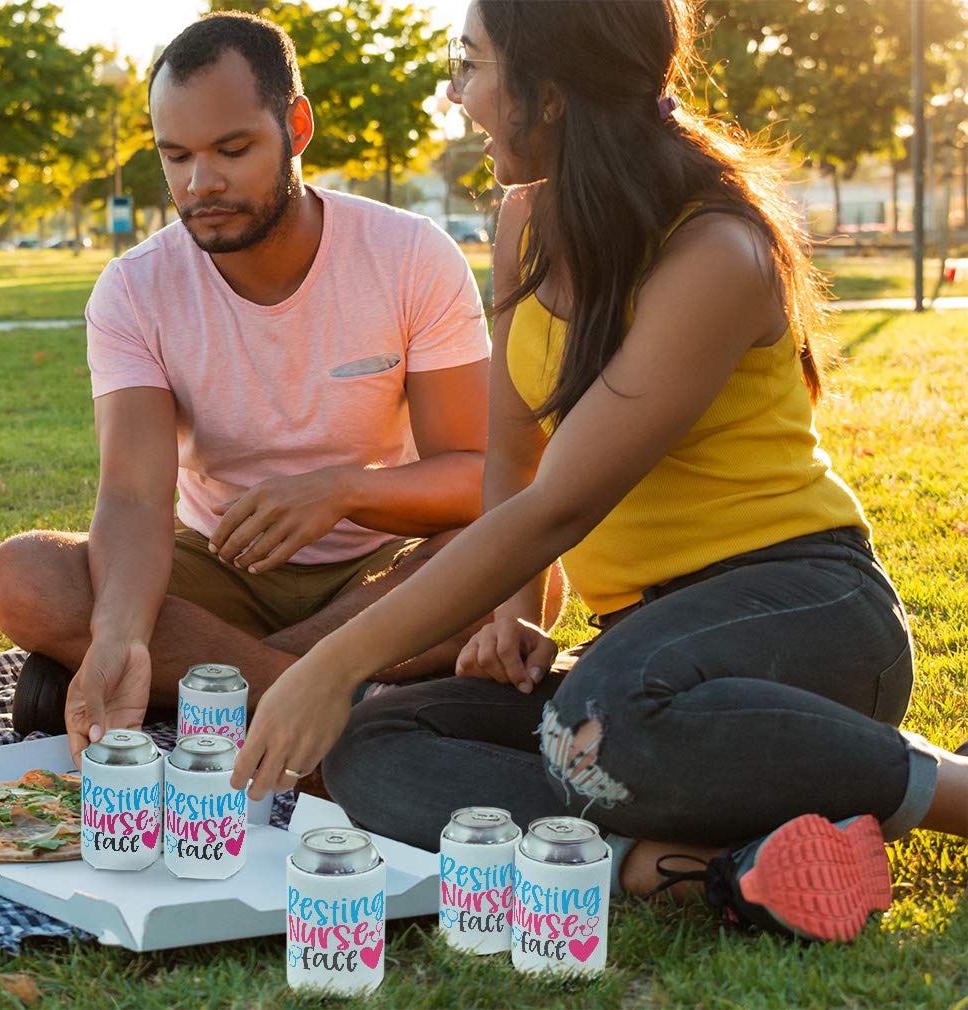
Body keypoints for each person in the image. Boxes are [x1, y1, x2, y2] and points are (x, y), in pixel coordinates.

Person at [226, 0, 968, 943]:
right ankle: (697, 867)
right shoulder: (524, 223)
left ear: (555, 90)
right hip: (646, 647)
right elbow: (512, 455)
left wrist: (332, 663)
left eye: (471, 61)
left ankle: (954, 791)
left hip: (807, 617)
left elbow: (558, 503)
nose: (456, 93)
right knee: (375, 741)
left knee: (598, 722)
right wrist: (510, 616)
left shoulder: (716, 251)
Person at [0, 12, 503, 767]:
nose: (201, 183)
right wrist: (124, 633)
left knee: (513, 567)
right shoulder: (134, 290)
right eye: (176, 156)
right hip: (218, 568)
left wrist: (343, 491)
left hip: (377, 567)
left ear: (295, 125)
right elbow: (132, 496)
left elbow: (479, 480)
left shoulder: (411, 256)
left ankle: (210, 679)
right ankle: (306, 691)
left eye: (231, 149)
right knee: (25, 576)